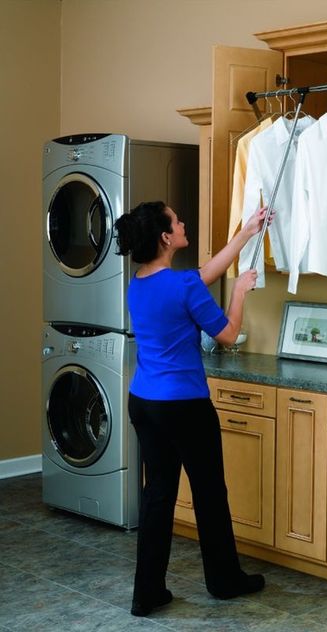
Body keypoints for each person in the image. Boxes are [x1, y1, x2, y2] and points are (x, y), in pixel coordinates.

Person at [114, 200, 273, 617]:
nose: (183, 223)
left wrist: (247, 231)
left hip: (144, 403)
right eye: (177, 220)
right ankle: (224, 581)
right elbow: (227, 333)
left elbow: (202, 275)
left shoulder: (141, 281)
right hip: (185, 407)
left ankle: (147, 593)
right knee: (208, 493)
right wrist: (239, 292)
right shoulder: (184, 287)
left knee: (158, 495)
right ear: (167, 237)